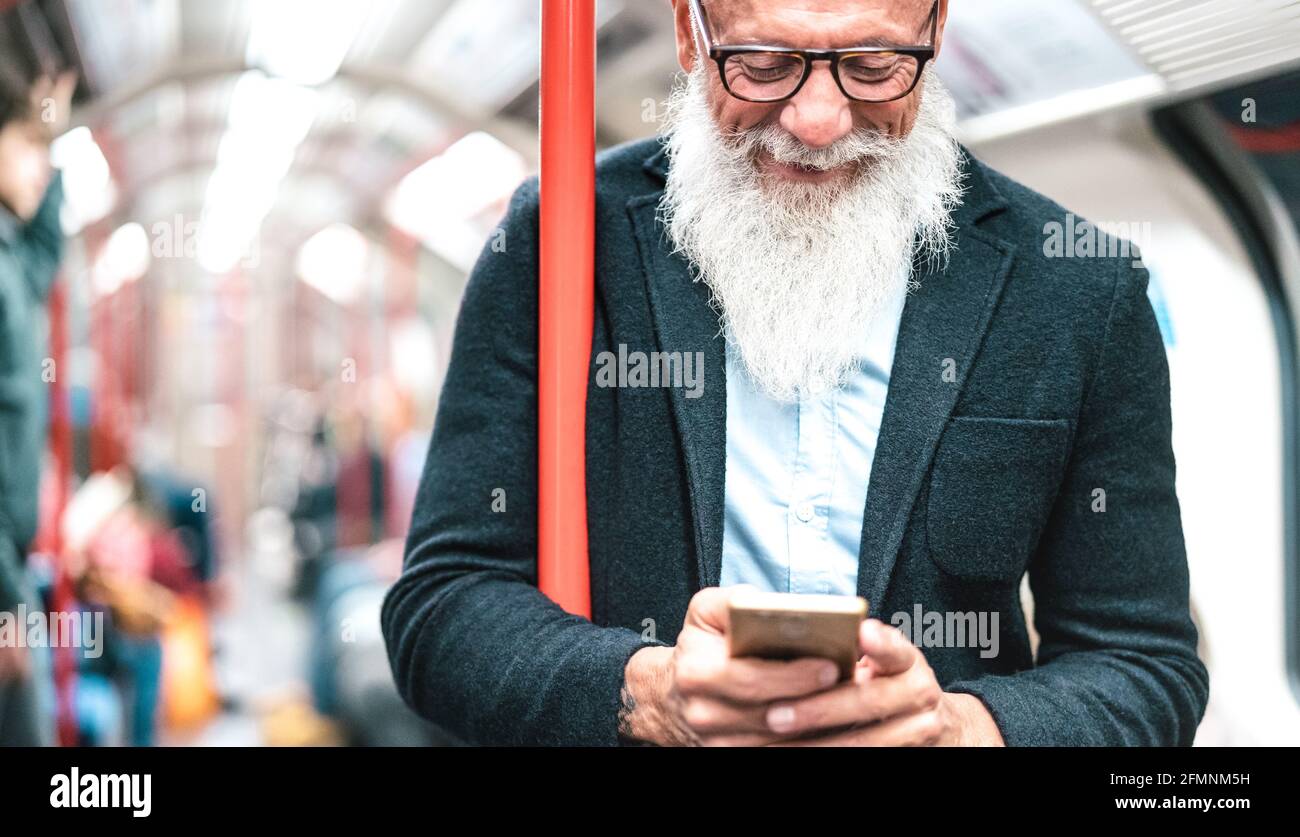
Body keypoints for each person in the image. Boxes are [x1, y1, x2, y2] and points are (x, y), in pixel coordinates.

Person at [381, 0, 1210, 746]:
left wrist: (961, 730)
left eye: (874, 64)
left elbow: (1145, 664)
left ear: (936, 32)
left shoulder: (1076, 285)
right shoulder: (563, 243)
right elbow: (442, 606)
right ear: (688, 32)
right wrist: (643, 690)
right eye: (765, 63)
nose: (817, 120)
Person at [0, 62, 75, 747]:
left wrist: (54, 130)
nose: (42, 169)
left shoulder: (12, 261)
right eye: (28, 147)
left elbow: (47, 248)